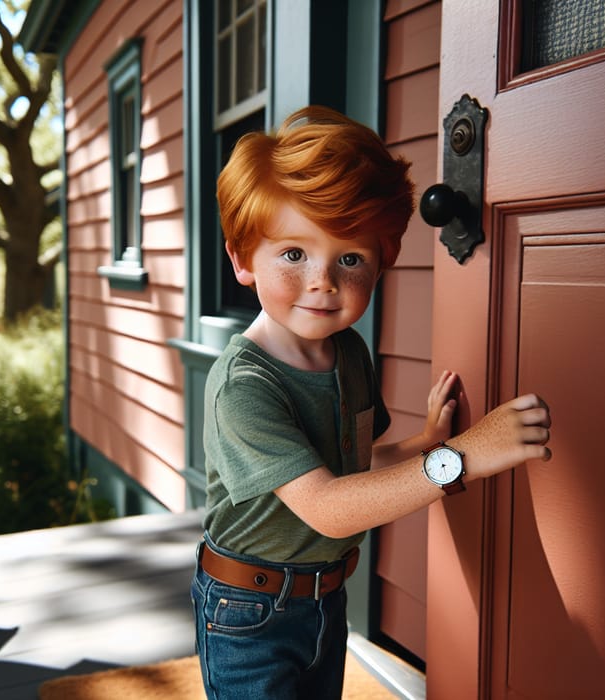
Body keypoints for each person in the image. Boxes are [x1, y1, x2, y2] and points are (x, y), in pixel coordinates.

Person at [191, 105, 552, 699]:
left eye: (350, 259)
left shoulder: (348, 352)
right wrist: (461, 456)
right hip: (246, 611)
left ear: (382, 265)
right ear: (242, 258)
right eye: (293, 254)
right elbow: (329, 507)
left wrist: (425, 443)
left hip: (326, 598)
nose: (322, 280)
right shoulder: (245, 385)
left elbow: (356, 470)